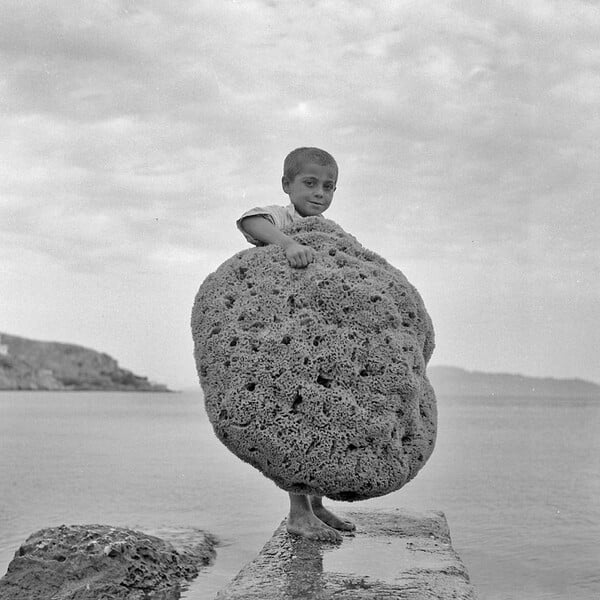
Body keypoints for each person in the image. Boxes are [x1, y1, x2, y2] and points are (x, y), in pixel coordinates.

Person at [237, 147, 355, 542]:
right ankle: (298, 514)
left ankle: (317, 505)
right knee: (298, 422)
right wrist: (287, 244)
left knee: (322, 422)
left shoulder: (327, 228)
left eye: (329, 187)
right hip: (281, 339)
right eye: (310, 183)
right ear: (287, 185)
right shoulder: (282, 217)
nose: (320, 193)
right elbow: (251, 221)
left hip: (316, 339)